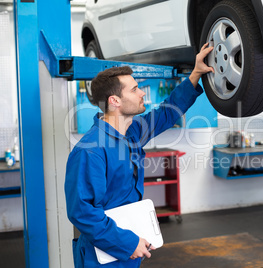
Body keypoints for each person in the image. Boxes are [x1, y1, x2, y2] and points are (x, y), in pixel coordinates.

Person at [65, 43, 214, 268]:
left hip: (128, 249)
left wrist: (196, 74)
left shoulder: (131, 132)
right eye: (134, 89)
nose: (142, 92)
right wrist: (128, 243)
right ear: (114, 101)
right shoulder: (90, 150)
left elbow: (167, 112)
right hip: (103, 256)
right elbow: (82, 212)